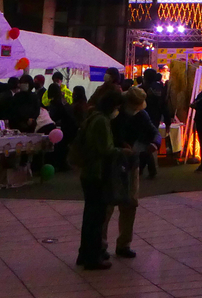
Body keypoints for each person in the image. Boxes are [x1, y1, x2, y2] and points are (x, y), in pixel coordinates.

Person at [107, 87, 158, 258]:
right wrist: (121, 145)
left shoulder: (141, 115)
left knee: (130, 203)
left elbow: (154, 132)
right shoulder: (114, 115)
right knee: (108, 204)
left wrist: (154, 143)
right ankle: (102, 244)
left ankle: (124, 243)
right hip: (115, 161)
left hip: (131, 162)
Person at [75, 90, 120, 270]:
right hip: (97, 172)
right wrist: (121, 152)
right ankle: (93, 257)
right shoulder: (102, 121)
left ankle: (85, 253)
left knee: (89, 216)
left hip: (88, 171)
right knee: (97, 216)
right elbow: (106, 148)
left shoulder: (92, 117)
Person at [141, 70, 170, 178]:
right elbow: (164, 106)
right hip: (155, 118)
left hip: (144, 118)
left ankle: (148, 169)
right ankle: (145, 168)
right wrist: (167, 121)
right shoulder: (160, 89)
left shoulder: (143, 89)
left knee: (145, 143)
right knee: (147, 143)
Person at [46, 80, 77, 172]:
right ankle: (62, 164)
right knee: (63, 147)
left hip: (62, 127)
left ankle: (59, 164)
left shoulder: (55, 103)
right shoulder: (63, 101)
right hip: (69, 126)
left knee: (59, 147)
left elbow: (54, 115)